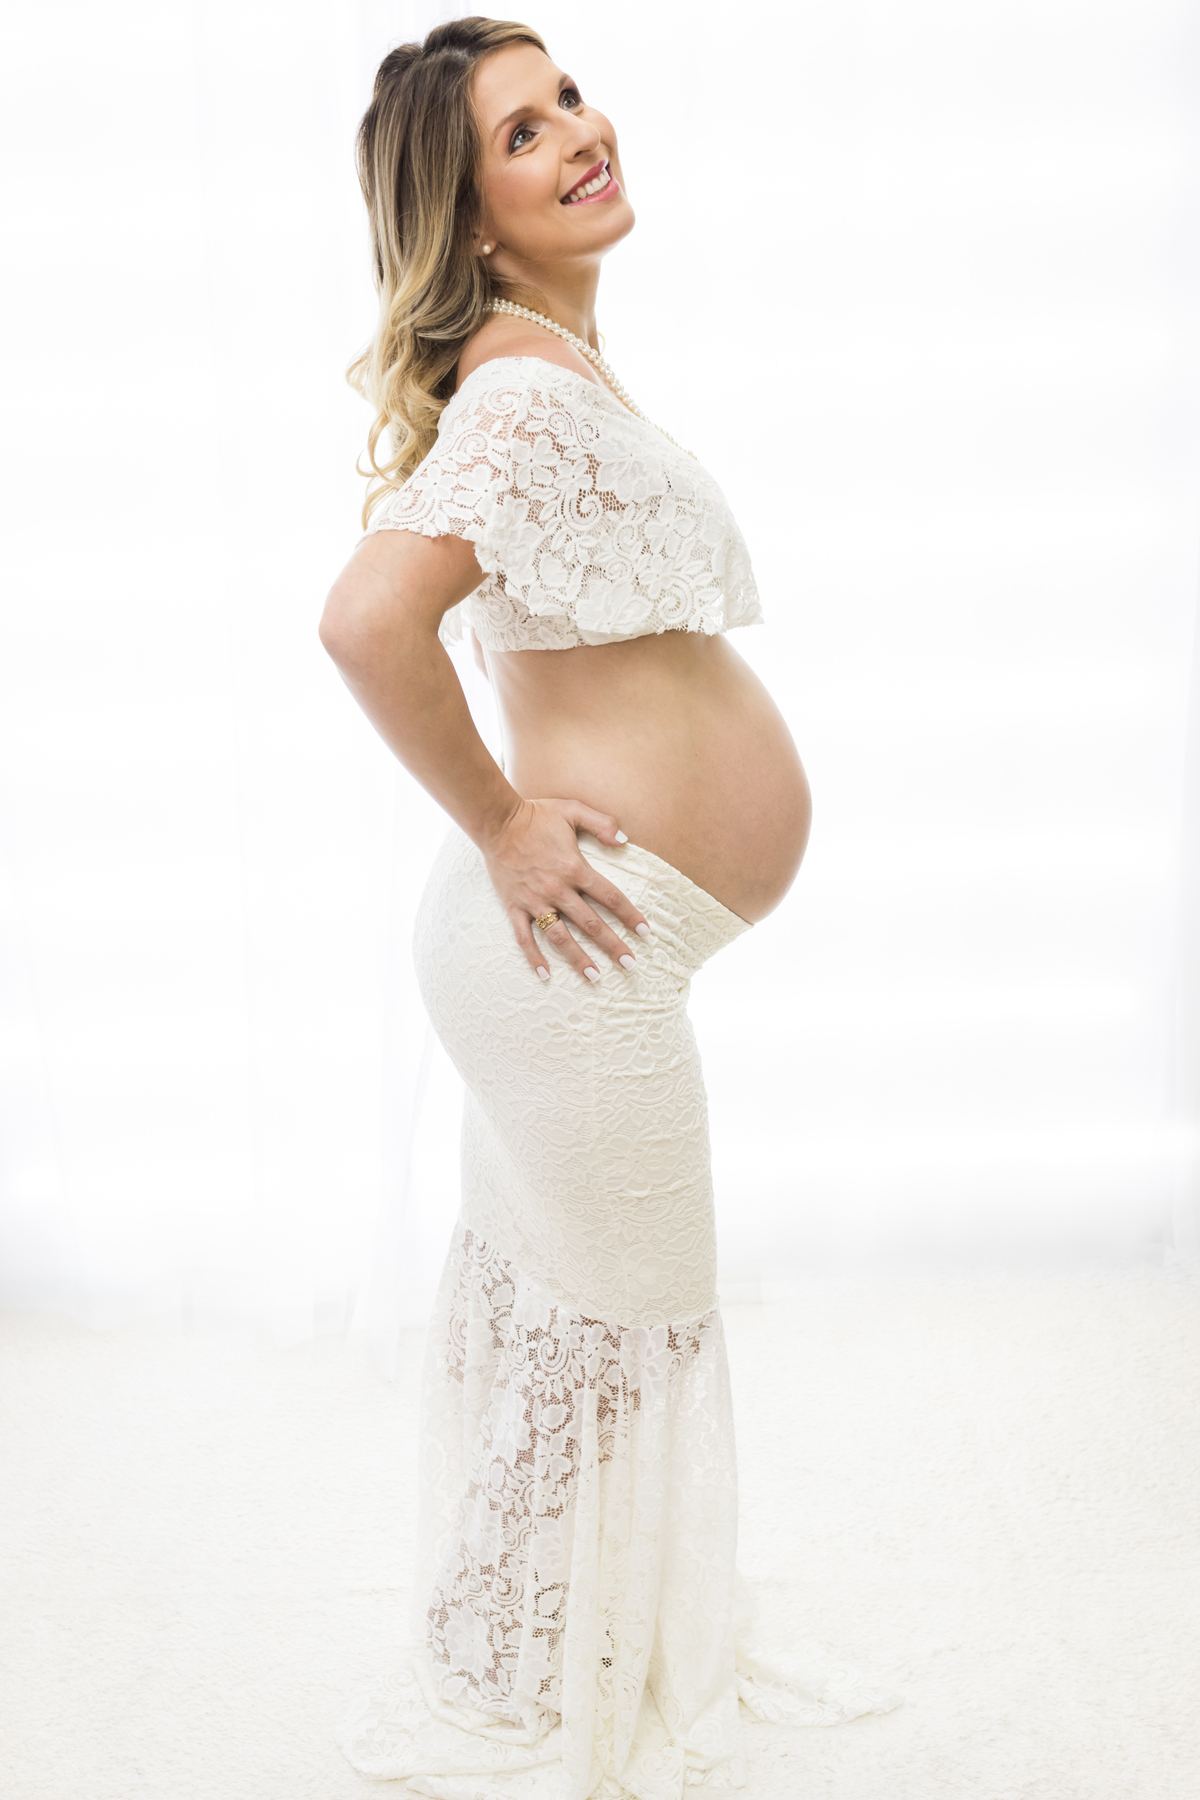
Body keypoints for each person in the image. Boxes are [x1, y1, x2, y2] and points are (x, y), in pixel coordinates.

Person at [320, 18, 892, 1796]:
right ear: (469, 218)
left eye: (567, 96)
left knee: (592, 1331)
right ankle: (543, 1678)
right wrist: (500, 822)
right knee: (630, 1324)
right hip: (571, 952)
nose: (578, 132)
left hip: (567, 953)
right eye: (521, 133)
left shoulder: (551, 363)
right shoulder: (515, 395)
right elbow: (366, 622)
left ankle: (529, 1639)